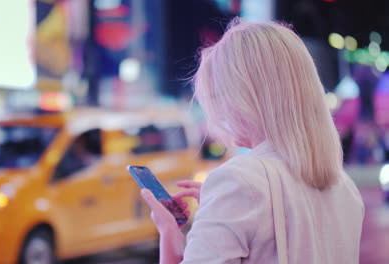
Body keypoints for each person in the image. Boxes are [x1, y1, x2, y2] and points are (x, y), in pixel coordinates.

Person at [141, 20, 364, 264]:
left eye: (220, 95)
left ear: (245, 97)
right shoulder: (344, 186)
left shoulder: (238, 181)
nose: (220, 112)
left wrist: (169, 234)